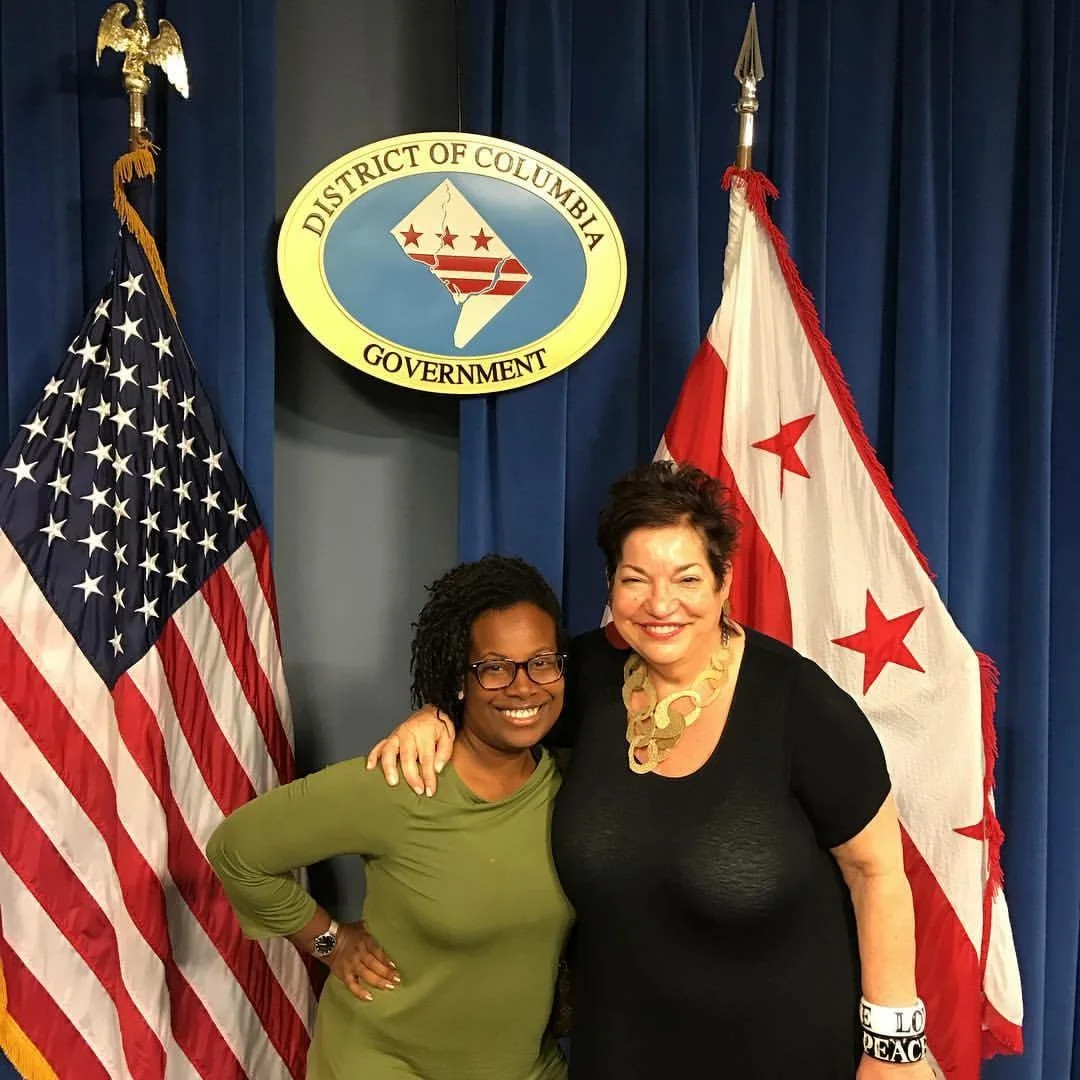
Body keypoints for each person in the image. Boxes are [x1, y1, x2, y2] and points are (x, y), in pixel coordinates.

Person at [365, 461, 933, 1080]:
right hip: (621, 1052)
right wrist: (435, 716)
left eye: (687, 578)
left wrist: (893, 1051)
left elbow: (877, 872)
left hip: (787, 1049)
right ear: (611, 585)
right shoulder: (578, 677)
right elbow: (497, 704)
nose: (661, 604)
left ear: (723, 583)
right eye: (636, 579)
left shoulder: (801, 704)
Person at [206, 555, 574, 1080]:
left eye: (542, 661)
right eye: (495, 667)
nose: (524, 686)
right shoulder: (401, 781)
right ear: (459, 680)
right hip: (387, 1065)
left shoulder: (572, 786)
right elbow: (236, 850)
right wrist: (328, 942)